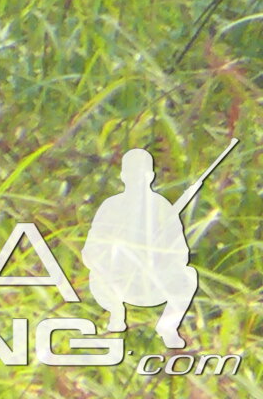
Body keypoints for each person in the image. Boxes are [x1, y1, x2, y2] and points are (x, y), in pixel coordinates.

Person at [85, 148, 200, 346]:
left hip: (154, 281)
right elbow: (91, 250)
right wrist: (114, 262)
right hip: (117, 282)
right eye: (132, 174)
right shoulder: (111, 207)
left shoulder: (162, 207)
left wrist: (159, 255)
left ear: (151, 176)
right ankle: (116, 317)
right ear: (123, 176)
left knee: (188, 276)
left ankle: (168, 326)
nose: (137, 179)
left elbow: (180, 252)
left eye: (142, 174)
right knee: (95, 276)